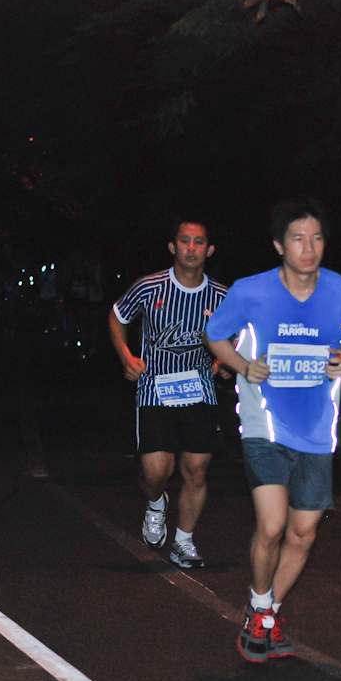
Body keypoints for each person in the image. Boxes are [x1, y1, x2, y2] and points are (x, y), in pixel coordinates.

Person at [206, 197, 341, 663]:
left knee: (304, 532)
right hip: (264, 422)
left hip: (316, 427)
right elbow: (214, 334)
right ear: (279, 245)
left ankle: (265, 613)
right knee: (273, 524)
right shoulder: (250, 291)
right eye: (298, 239)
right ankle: (260, 610)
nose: (308, 248)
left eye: (316, 238)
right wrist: (244, 366)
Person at [109, 220, 229, 569]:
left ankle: (184, 542)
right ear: (173, 247)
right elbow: (116, 317)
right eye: (185, 241)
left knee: (197, 470)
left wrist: (224, 360)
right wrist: (126, 357)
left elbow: (240, 333)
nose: (191, 248)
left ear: (209, 250)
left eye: (199, 242)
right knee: (155, 472)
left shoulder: (222, 296)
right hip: (155, 390)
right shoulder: (149, 287)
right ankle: (156, 503)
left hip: (200, 390)